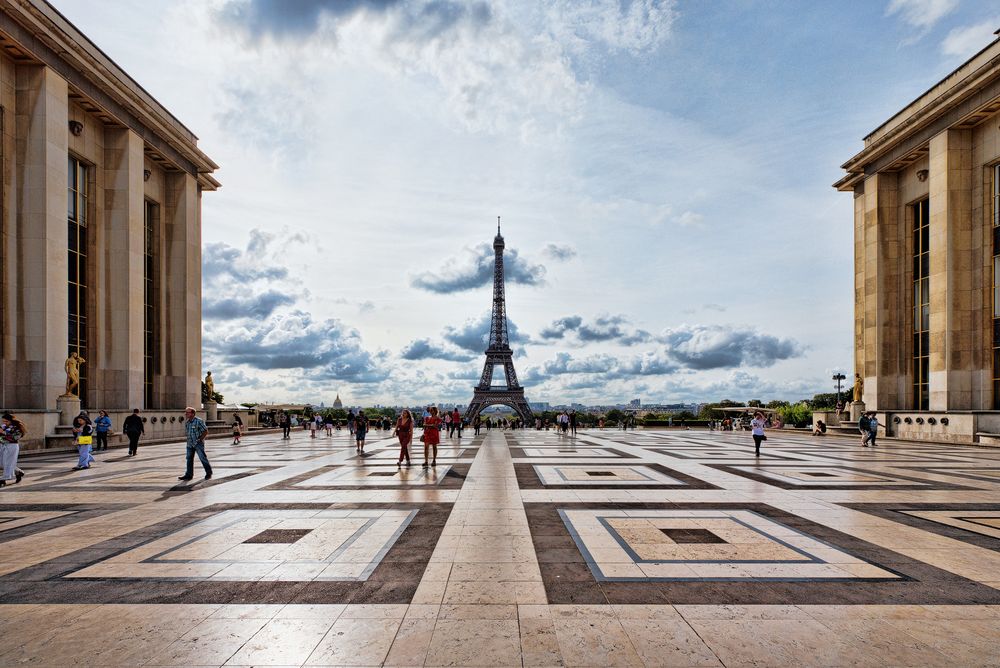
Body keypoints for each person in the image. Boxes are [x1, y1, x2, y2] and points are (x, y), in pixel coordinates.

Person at [178, 406, 212, 481]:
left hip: (198, 443)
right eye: (185, 412)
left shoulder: (199, 421)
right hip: (189, 444)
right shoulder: (187, 422)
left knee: (202, 458)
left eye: (187, 412)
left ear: (193, 413)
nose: (185, 414)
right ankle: (189, 474)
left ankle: (208, 473)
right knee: (189, 459)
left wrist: (200, 439)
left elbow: (205, 430)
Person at [0, 412, 27, 487]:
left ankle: (4, 478)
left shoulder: (17, 428)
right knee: (2, 463)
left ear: (11, 421)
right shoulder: (3, 427)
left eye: (6, 421)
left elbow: (15, 438)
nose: (5, 423)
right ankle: (18, 472)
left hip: (12, 446)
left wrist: (4, 433)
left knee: (8, 462)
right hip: (2, 445)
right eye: (3, 421)